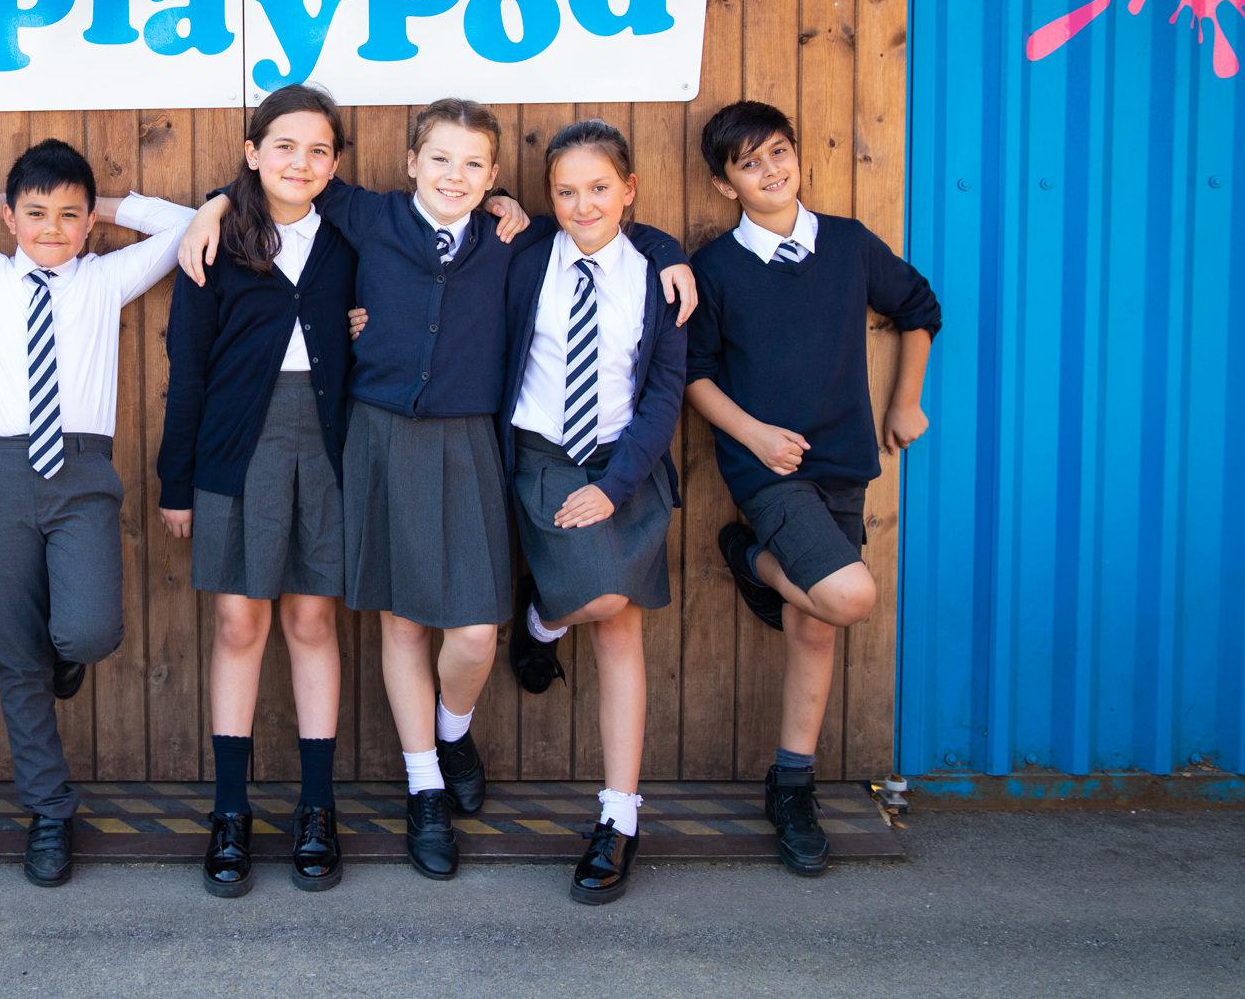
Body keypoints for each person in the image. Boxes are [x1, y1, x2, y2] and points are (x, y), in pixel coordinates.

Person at [181, 97, 695, 879]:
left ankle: (453, 730)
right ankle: (424, 787)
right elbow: (286, 177)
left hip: (470, 439)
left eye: (474, 164)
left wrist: (665, 248)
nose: (455, 175)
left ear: (494, 177)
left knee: (475, 632)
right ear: (411, 163)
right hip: (380, 434)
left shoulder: (512, 240)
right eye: (441, 159)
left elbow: (602, 232)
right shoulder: (370, 215)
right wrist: (213, 205)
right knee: (402, 621)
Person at [0, 139, 195, 888]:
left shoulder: (104, 278)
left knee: (87, 631)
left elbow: (188, 225)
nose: (52, 228)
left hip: (83, 470)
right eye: (35, 213)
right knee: (14, 650)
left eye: (69, 214)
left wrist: (112, 208)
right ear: (10, 217)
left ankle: (67, 652)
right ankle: (49, 810)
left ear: (88, 221)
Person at [684, 99, 940, 876]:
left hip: (842, 462)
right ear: (726, 184)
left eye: (779, 151)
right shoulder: (715, 268)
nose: (770, 169)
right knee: (849, 595)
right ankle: (747, 550)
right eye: (749, 163)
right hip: (767, 471)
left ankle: (791, 784)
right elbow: (694, 374)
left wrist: (904, 402)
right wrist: (756, 434)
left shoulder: (849, 245)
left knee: (816, 622)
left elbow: (918, 306)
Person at [158, 86, 357, 896]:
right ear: (252, 152)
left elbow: (442, 215)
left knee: (311, 617)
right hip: (237, 447)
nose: (300, 162)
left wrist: (509, 204)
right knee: (240, 621)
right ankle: (231, 809)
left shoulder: (349, 236)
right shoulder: (217, 238)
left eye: (318, 150)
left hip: (329, 445)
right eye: (283, 145)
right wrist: (177, 481)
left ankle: (317, 807)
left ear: (335, 164)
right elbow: (188, 368)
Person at [501, 121, 686, 904]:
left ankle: (619, 814)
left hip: (626, 461)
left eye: (600, 188)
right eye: (567, 191)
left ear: (629, 189)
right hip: (545, 454)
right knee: (603, 597)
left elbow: (665, 392)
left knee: (618, 625)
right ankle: (545, 614)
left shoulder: (659, 274)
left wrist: (616, 484)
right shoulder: (523, 256)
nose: (584, 205)